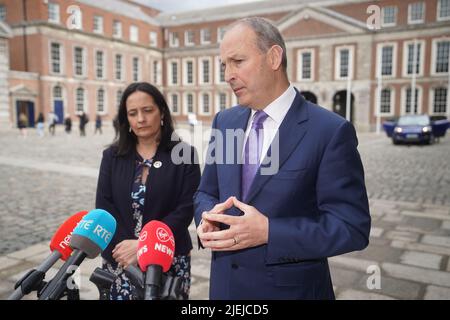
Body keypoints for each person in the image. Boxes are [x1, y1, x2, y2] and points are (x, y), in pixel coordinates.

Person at [194, 17, 371, 300]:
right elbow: (206, 190)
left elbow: (351, 227)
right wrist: (207, 218)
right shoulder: (224, 122)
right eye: (224, 66)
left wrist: (270, 231)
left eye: (237, 61)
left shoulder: (330, 131)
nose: (228, 75)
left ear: (274, 57)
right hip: (225, 290)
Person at [96, 82, 201, 300]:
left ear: (161, 111)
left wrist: (144, 246)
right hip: (121, 255)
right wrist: (129, 250)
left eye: (147, 110)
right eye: (133, 113)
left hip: (168, 257)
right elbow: (105, 206)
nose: (140, 119)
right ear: (126, 120)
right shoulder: (111, 157)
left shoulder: (185, 155)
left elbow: (186, 209)